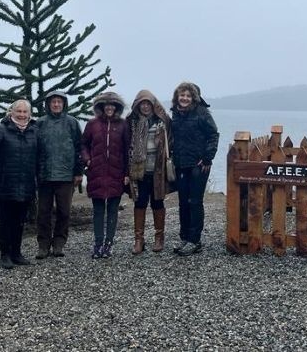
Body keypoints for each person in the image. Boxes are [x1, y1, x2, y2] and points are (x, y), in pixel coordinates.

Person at [0, 99, 39, 269]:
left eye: (24, 112)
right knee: (5, 221)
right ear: (11, 112)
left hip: (26, 184)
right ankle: (4, 255)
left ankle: (16, 253)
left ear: (29, 114)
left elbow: (41, 154)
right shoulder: (3, 129)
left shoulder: (34, 130)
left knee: (20, 221)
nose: (21, 115)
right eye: (18, 111)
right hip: (5, 183)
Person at [170, 82, 219, 256]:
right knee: (183, 202)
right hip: (181, 163)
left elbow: (213, 134)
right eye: (182, 95)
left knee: (195, 201)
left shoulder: (202, 113)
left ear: (194, 98)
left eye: (188, 96)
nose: (184, 98)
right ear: (177, 97)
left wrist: (207, 157)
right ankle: (184, 237)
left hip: (199, 165)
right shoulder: (176, 114)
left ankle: (194, 240)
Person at [81, 91, 130, 259]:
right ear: (101, 107)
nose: (109, 108)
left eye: (113, 105)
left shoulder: (123, 125)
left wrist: (127, 173)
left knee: (113, 211)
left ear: (117, 107)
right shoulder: (92, 124)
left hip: (116, 173)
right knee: (98, 211)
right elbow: (83, 145)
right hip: (97, 173)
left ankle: (109, 244)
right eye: (106, 105)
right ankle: (98, 243)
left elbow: (127, 150)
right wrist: (87, 160)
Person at [35, 91, 84, 259]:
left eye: (59, 102)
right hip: (44, 176)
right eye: (53, 102)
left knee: (64, 212)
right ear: (48, 104)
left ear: (64, 104)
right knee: (43, 213)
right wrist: (35, 172)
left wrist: (79, 172)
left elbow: (80, 149)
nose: (56, 104)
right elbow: (34, 150)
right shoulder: (39, 123)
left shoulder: (72, 123)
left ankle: (59, 243)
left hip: (66, 176)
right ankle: (43, 245)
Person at [126, 90, 173, 254]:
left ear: (153, 105)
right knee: (139, 203)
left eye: (148, 103)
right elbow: (126, 146)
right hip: (139, 171)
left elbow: (172, 142)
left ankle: (159, 238)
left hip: (158, 171)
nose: (145, 107)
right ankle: (139, 239)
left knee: (157, 202)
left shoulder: (163, 121)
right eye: (142, 104)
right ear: (137, 105)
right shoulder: (131, 121)